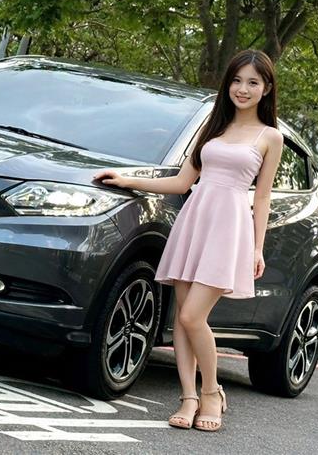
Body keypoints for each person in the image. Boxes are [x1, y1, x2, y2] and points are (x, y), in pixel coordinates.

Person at [92, 49, 284, 432]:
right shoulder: (212, 127)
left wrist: (257, 247)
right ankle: (188, 397)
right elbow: (182, 182)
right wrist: (128, 180)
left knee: (192, 316)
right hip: (194, 221)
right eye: (236, 80)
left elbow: (262, 197)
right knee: (182, 317)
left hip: (229, 228)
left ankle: (212, 392)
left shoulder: (270, 137)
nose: (242, 89)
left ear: (266, 88)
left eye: (252, 82)